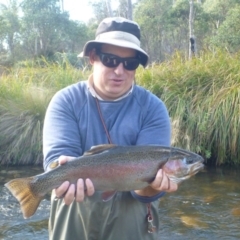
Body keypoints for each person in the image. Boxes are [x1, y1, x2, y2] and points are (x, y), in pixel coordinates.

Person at [43, 17, 178, 240]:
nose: (119, 70)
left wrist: (153, 187)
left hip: (132, 219)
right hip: (73, 211)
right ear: (93, 58)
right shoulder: (66, 101)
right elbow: (56, 162)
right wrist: (59, 175)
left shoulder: (153, 108)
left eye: (130, 63)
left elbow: (144, 191)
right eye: (110, 60)